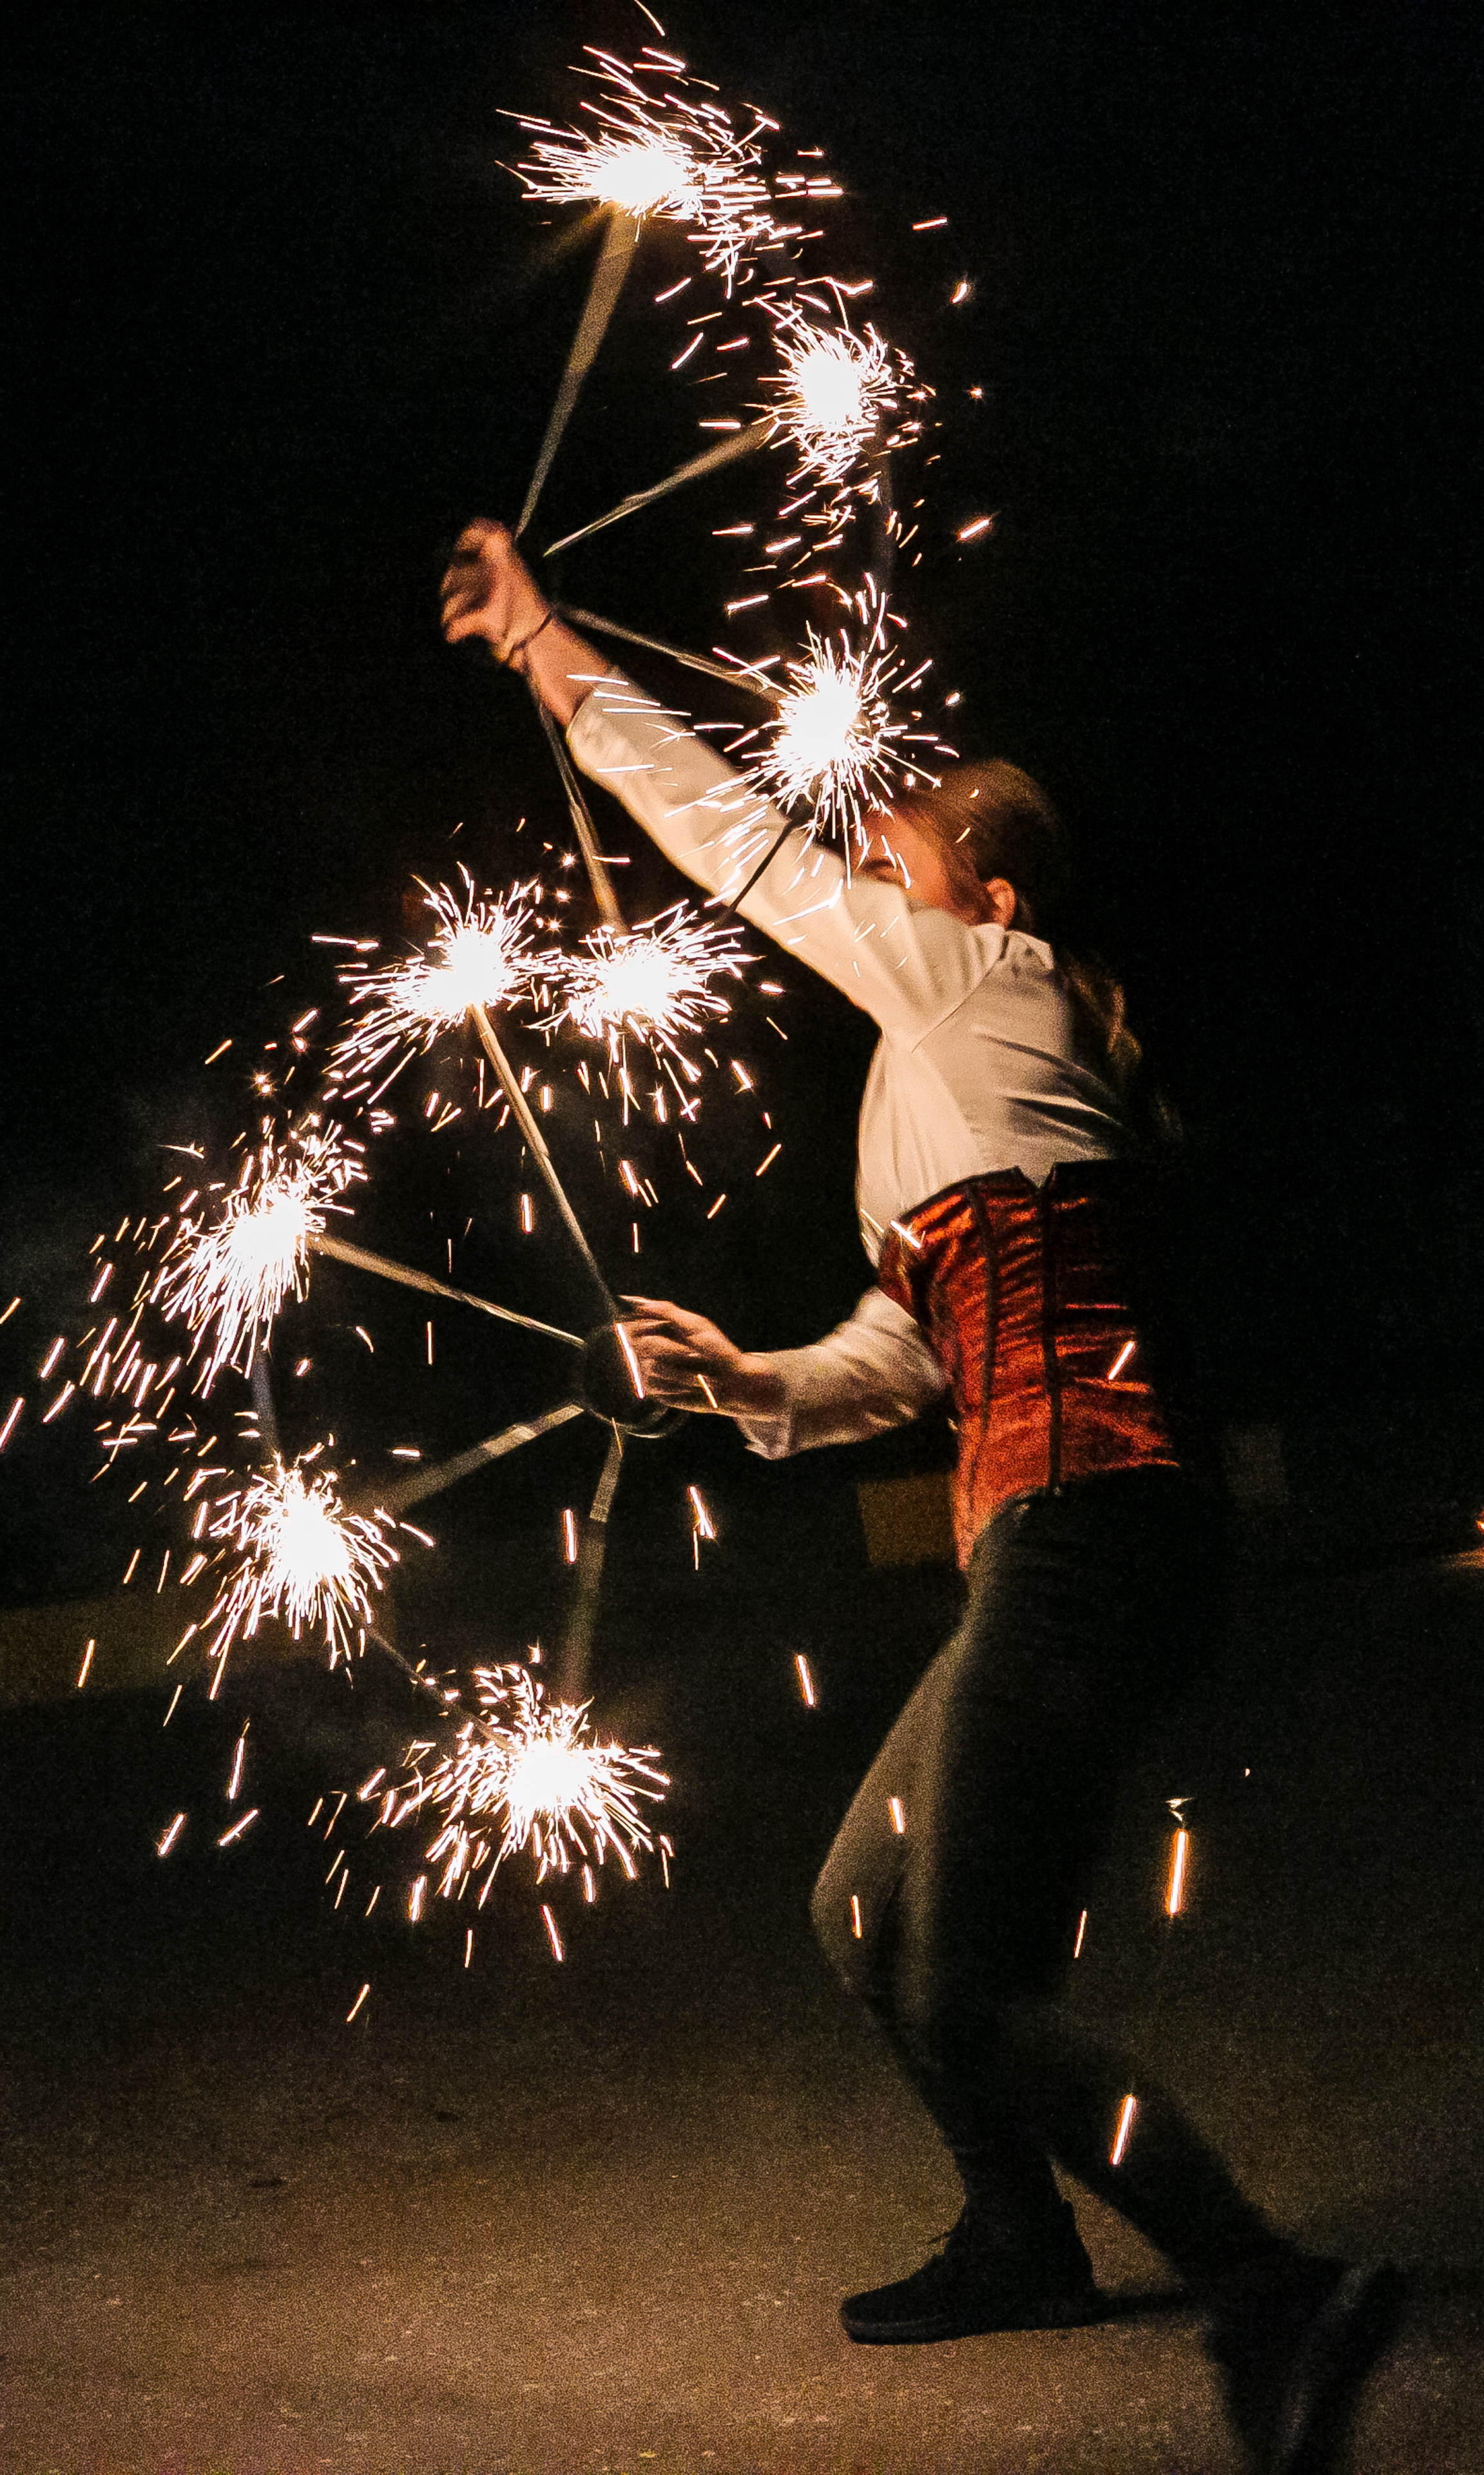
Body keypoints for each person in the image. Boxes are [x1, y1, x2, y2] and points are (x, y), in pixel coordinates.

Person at [439, 519, 1401, 2472]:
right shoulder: (937, 1070)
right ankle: (1023, 2239)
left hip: (1096, 1518)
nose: (874, 828)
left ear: (996, 889)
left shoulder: (989, 983)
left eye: (919, 826)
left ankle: (1272, 2285)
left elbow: (739, 843)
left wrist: (550, 654)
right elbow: (908, 1354)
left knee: (964, 1983)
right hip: (1062, 1537)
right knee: (859, 1914)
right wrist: (750, 1381)